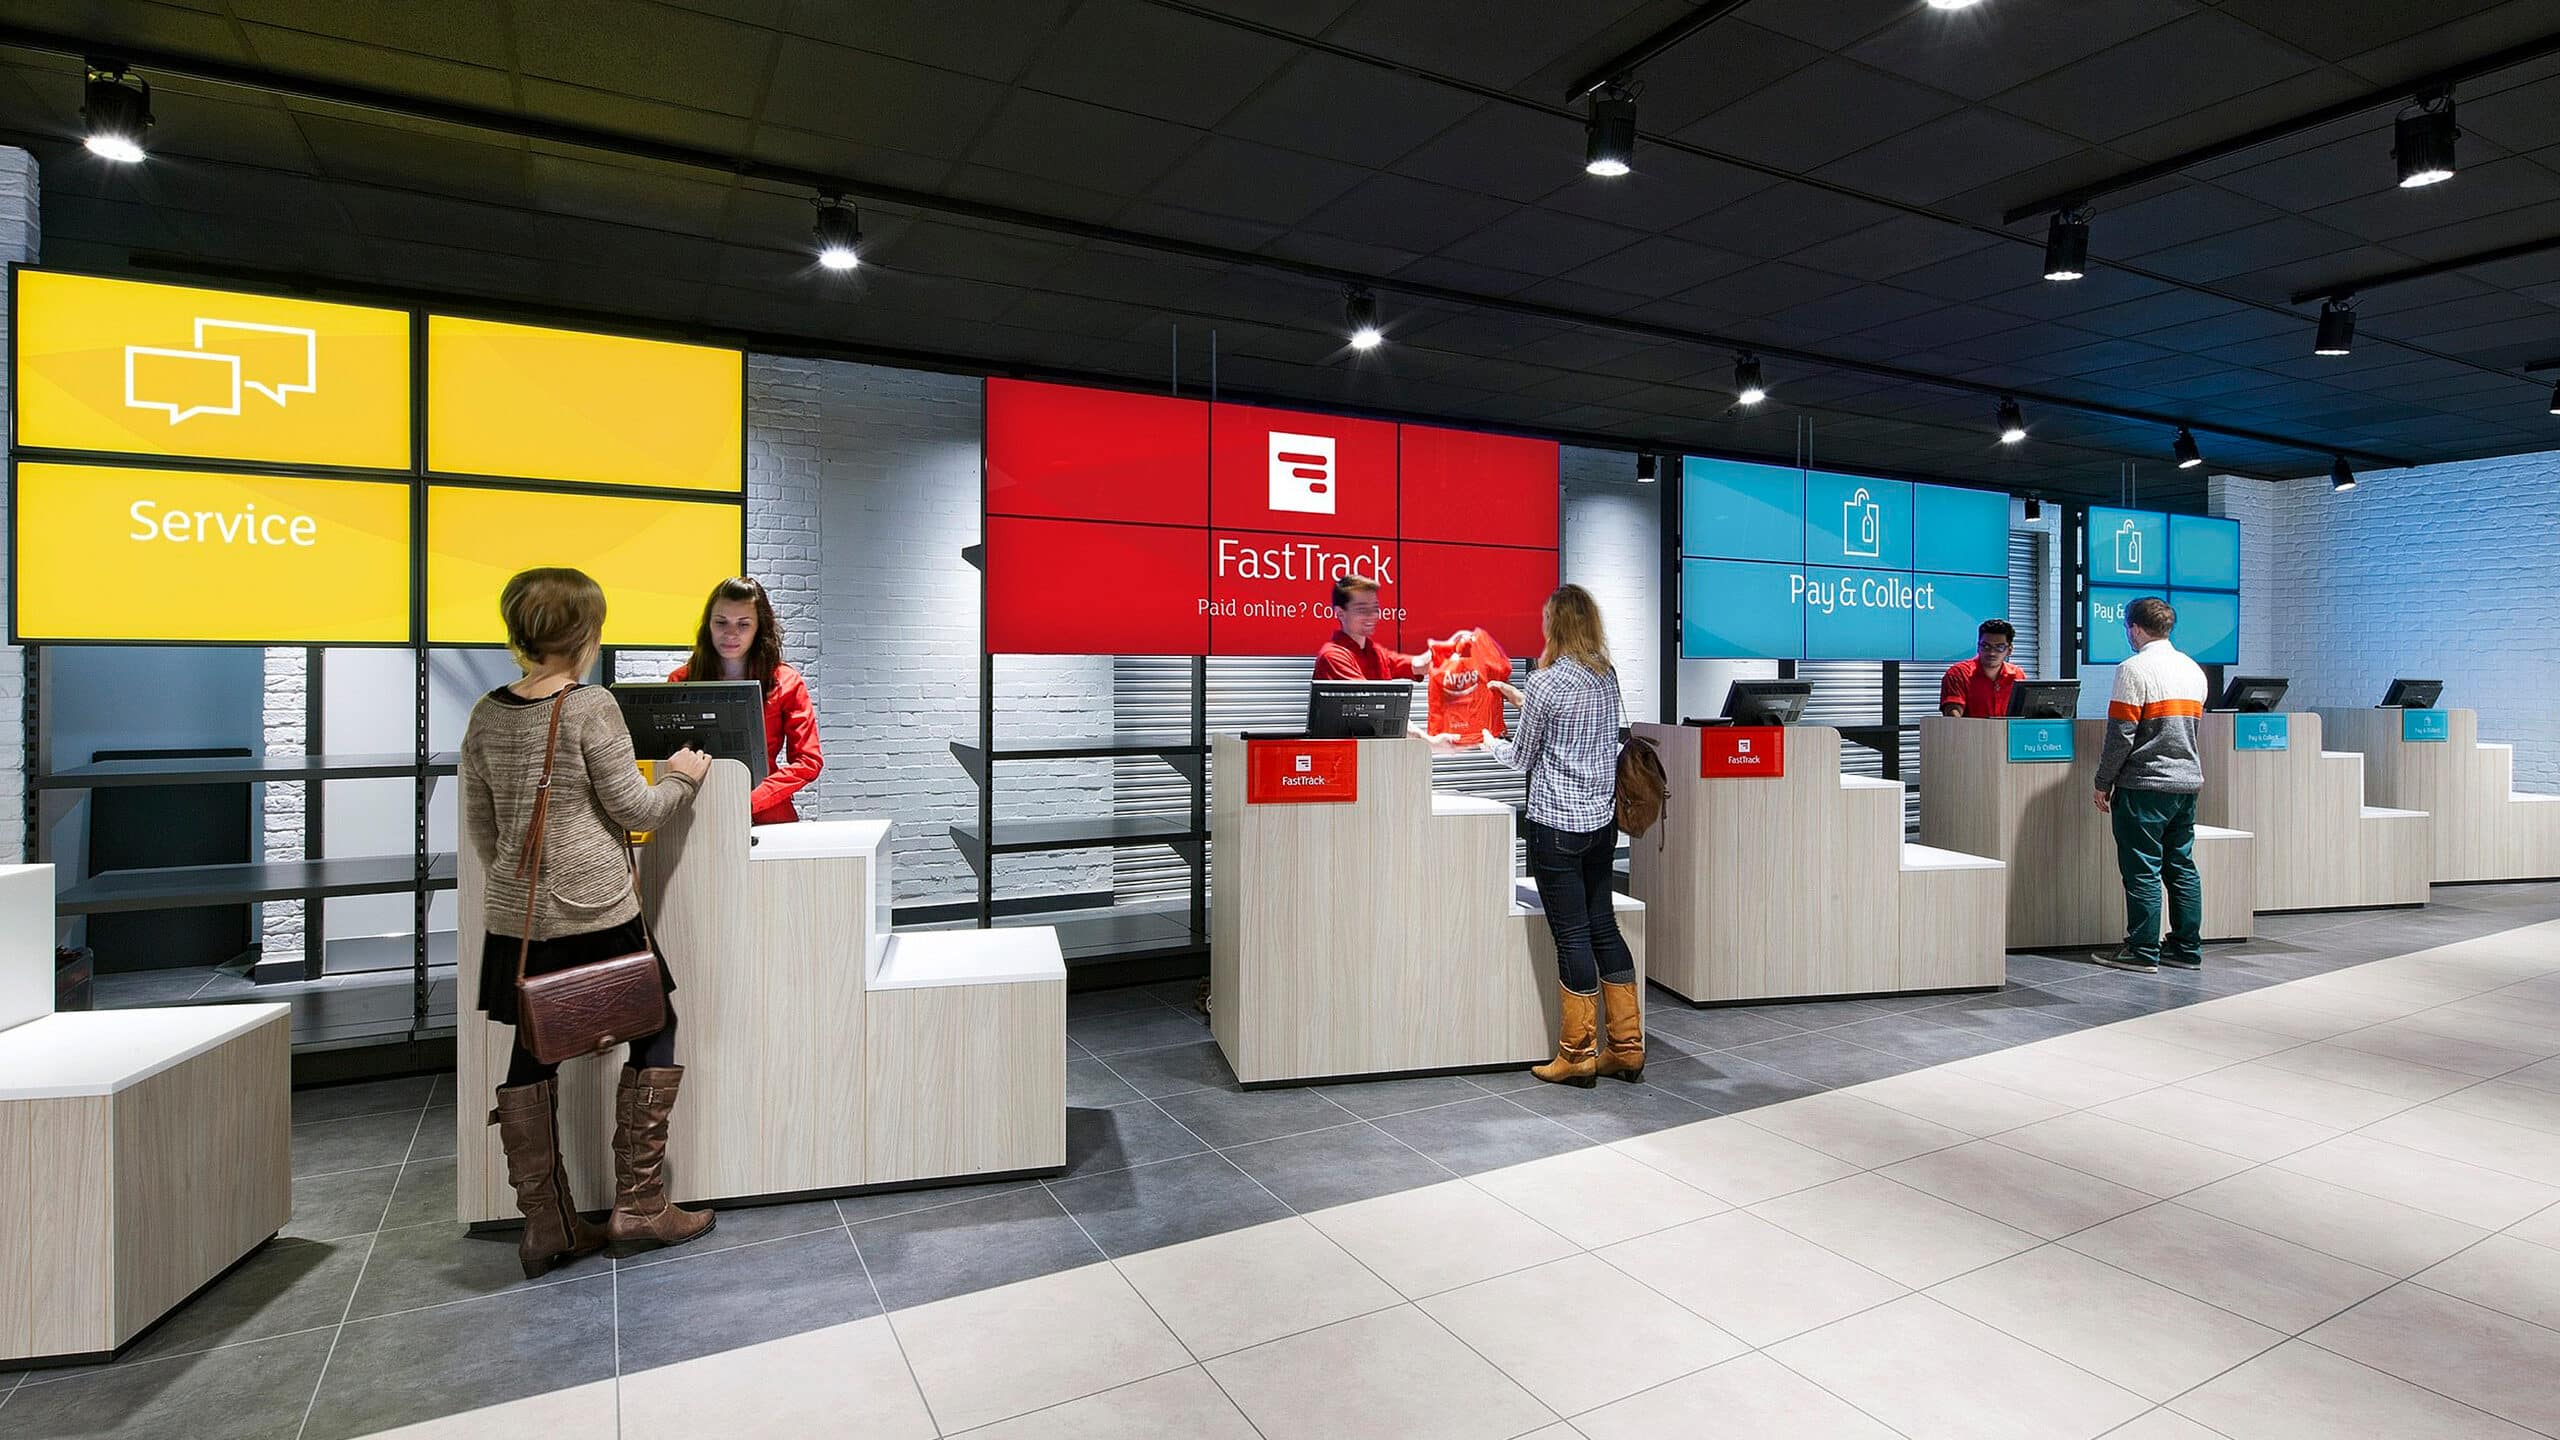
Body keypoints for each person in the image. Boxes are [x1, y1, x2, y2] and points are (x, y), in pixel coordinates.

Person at [462, 567, 716, 1278]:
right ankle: (641, 1203)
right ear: (586, 633)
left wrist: (523, 880)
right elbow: (636, 810)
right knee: (655, 1025)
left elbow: (483, 827)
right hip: (596, 910)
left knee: (533, 1048)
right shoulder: (590, 705)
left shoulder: (486, 712)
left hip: (518, 918)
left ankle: (547, 1226)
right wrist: (682, 779)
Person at [1481, 584, 1642, 1086]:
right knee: (1603, 929)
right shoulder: (1606, 676)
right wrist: (1522, 700)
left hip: (1556, 827)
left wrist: (1487, 740)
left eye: (1546, 619)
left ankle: (1576, 1055)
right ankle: (1627, 1048)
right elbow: (1577, 730)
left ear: (1557, 624)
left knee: (1571, 936)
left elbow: (1520, 758)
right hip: (1600, 824)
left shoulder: (1546, 682)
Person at [2092, 596, 2207, 974]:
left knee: (2141, 869)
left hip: (2144, 785)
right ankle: (2186, 948)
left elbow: (2121, 734)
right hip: (2185, 784)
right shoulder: (2193, 669)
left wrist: (2103, 781)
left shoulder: (2133, 669)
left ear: (2136, 628)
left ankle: (2142, 949)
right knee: (2181, 867)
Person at [668, 576, 823, 825]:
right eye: (721, 622)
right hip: (698, 813)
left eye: (743, 624)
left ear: (759, 628)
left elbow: (808, 761)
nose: (731, 633)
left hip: (766, 814)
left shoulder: (786, 681)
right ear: (708, 625)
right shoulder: (682, 680)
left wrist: (752, 800)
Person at [1312, 574, 1428, 681]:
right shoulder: (1332, 656)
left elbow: (1420, 665)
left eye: (1375, 608)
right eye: (1362, 609)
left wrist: (1439, 650)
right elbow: (1366, 695)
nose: (1371, 615)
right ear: (1340, 613)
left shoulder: (1375, 652)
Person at [1940, 618, 2024, 717]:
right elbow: (1952, 715)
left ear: (2009, 650)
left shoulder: (2017, 675)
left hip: (2006, 728)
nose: (1991, 653)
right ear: (1978, 646)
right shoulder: (1959, 673)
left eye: (1999, 647)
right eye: (1986, 646)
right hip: (1970, 727)